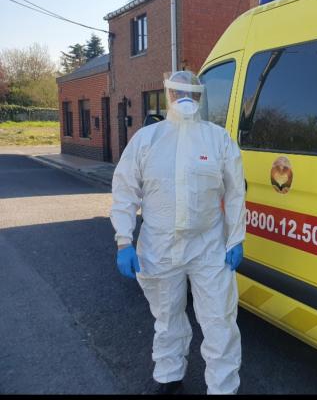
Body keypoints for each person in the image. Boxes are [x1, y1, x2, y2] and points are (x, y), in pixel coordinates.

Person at [110, 70, 246, 395]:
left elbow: (235, 192)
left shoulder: (218, 139)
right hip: (159, 244)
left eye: (192, 95)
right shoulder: (147, 139)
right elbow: (125, 190)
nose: (185, 100)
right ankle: (169, 378)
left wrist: (236, 237)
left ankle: (223, 389)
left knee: (219, 321)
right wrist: (123, 240)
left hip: (209, 245)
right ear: (169, 95)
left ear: (199, 97)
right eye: (179, 94)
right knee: (167, 316)